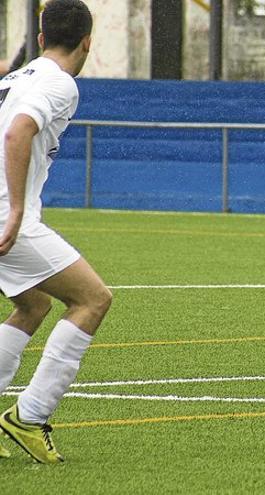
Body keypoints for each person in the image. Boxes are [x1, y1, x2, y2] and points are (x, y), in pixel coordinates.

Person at [0, 0, 111, 464]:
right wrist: (18, 210)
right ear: (87, 41)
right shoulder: (60, 83)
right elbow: (17, 133)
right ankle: (30, 416)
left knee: (33, 303)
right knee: (93, 299)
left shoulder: (13, 78)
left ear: (41, 38)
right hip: (9, 221)